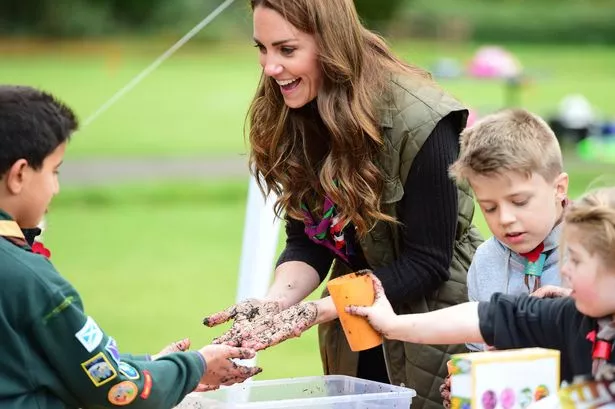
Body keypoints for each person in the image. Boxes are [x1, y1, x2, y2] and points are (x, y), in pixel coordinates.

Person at [202, 1, 482, 407]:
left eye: (286, 50)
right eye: (261, 48)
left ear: (331, 44)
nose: (269, 67)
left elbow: (427, 262)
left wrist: (316, 311)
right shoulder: (293, 105)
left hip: (431, 326)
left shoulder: (423, 120)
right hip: (351, 331)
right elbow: (310, 238)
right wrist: (275, 306)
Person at [0, 85, 260, 408]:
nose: (56, 187)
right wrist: (195, 366)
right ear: (19, 175)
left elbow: (52, 368)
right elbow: (117, 391)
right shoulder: (31, 280)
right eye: (55, 171)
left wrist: (151, 364)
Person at [346, 186, 615, 384]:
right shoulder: (572, 315)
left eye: (577, 261)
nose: (566, 270)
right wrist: (392, 325)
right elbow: (483, 316)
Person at [449, 108, 570, 352]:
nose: (504, 219)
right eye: (489, 208)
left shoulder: (599, 250)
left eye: (520, 202)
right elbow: (478, 349)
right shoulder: (484, 261)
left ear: (559, 188)